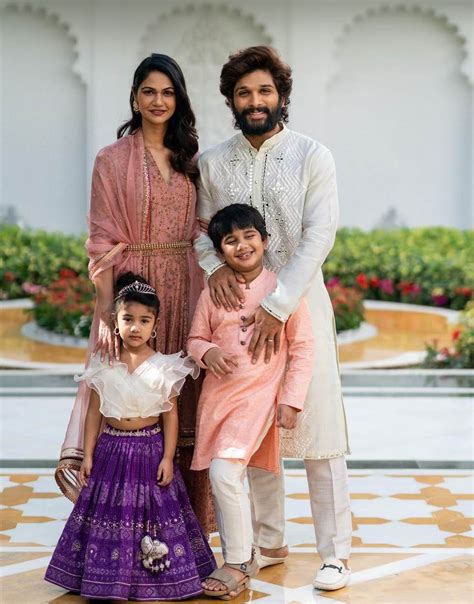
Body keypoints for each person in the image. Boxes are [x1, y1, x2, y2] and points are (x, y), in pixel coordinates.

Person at [194, 46, 352, 591]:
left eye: (264, 91)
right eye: (244, 93)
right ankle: (267, 542)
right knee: (252, 428)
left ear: (281, 95)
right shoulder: (214, 162)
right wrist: (213, 263)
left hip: (303, 303)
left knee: (317, 428)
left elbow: (319, 235)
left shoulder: (313, 155)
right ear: (231, 101)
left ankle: (335, 552)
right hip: (236, 314)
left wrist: (276, 305)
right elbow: (202, 230)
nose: (255, 101)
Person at [55, 53, 214, 533]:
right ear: (135, 96)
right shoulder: (111, 159)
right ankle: (123, 522)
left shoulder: (191, 158)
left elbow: (205, 227)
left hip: (186, 285)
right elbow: (102, 239)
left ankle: (184, 525)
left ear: (179, 98)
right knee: (126, 392)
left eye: (168, 92)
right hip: (133, 294)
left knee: (180, 397)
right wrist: (107, 311)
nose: (158, 101)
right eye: (149, 91)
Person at [45, 272, 216, 600]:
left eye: (144, 320)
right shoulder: (103, 363)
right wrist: (89, 454)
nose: (135, 327)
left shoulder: (167, 366)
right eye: (128, 319)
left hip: (150, 449)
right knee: (110, 513)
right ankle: (107, 577)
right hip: (111, 449)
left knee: (151, 514)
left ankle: (152, 578)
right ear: (115, 321)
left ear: (156, 324)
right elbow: (94, 412)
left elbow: (171, 415)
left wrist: (168, 457)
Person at [187, 204, 314, 599]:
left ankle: (239, 562)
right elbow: (194, 339)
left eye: (249, 236)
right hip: (216, 401)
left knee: (225, 474)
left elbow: (304, 348)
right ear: (220, 251)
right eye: (230, 240)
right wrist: (207, 353)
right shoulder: (214, 291)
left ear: (265, 240)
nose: (242, 246)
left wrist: (291, 400)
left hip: (257, 398)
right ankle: (247, 551)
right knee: (223, 476)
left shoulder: (282, 291)